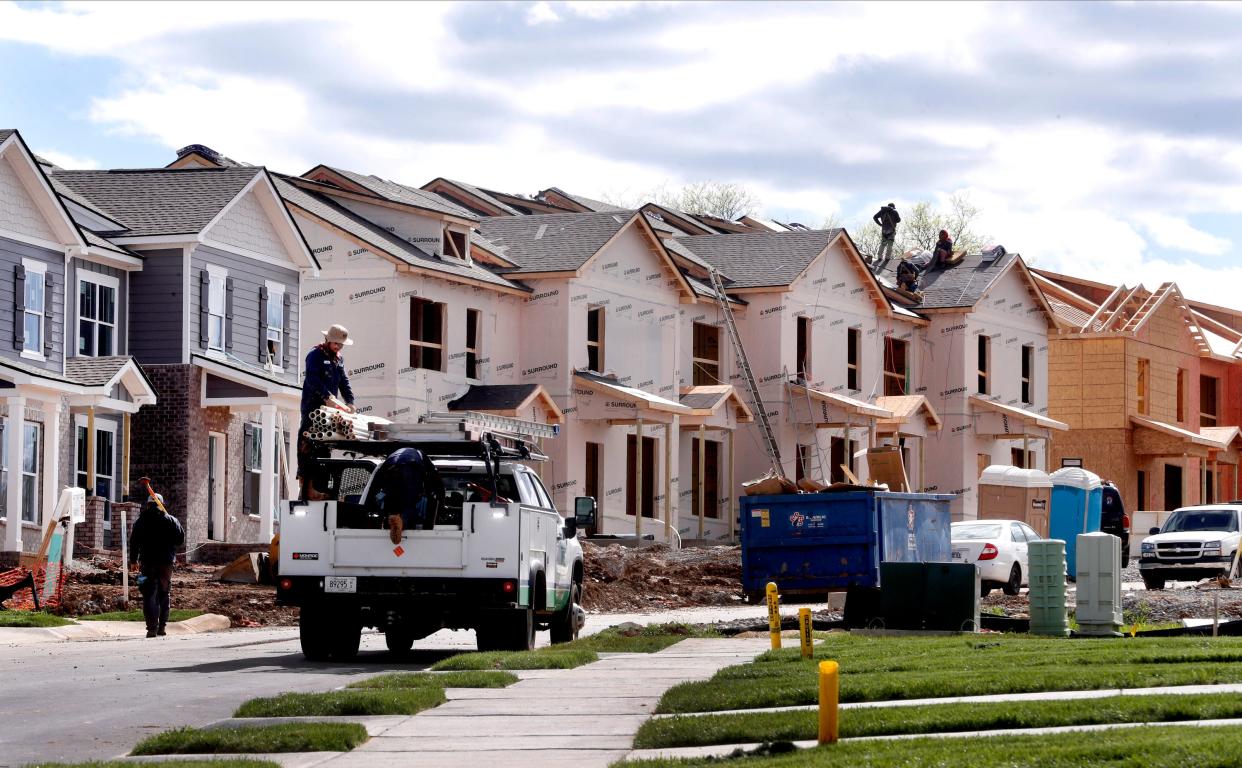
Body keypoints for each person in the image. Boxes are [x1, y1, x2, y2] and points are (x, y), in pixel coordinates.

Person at [299, 324, 356, 500]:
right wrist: (327, 396)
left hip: (329, 410)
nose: (338, 347)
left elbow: (344, 382)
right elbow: (312, 379)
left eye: (341, 344)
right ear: (328, 340)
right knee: (307, 442)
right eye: (336, 343)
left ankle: (320, 485)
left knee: (325, 445)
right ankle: (306, 483)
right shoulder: (314, 355)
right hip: (313, 407)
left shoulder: (339, 359)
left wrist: (350, 402)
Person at [128, 494, 184, 638]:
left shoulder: (141, 521)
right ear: (161, 504)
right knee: (164, 593)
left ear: (148, 505)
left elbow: (134, 542)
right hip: (166, 563)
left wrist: (133, 561)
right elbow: (180, 539)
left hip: (147, 562)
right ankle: (162, 627)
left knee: (148, 594)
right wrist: (171, 524)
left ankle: (151, 628)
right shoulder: (171, 520)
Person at [366, 448, 445, 545]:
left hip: (390, 473)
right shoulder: (422, 457)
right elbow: (439, 485)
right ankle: (401, 521)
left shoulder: (391, 457)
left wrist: (369, 505)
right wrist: (440, 509)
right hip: (411, 471)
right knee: (411, 506)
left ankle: (388, 522)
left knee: (390, 503)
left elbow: (375, 483)